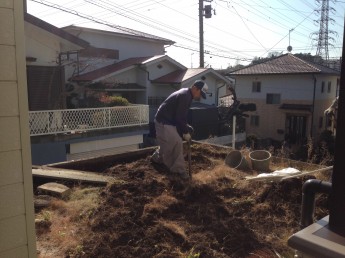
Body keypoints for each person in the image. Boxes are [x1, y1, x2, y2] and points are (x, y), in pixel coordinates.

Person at [151, 80, 208, 179]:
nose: (199, 96)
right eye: (200, 92)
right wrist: (185, 132)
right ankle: (178, 171)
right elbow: (180, 117)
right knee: (176, 142)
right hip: (164, 121)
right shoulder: (185, 96)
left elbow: (180, 115)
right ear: (195, 88)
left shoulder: (186, 94)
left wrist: (185, 126)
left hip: (167, 120)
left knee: (167, 144)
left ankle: (156, 158)